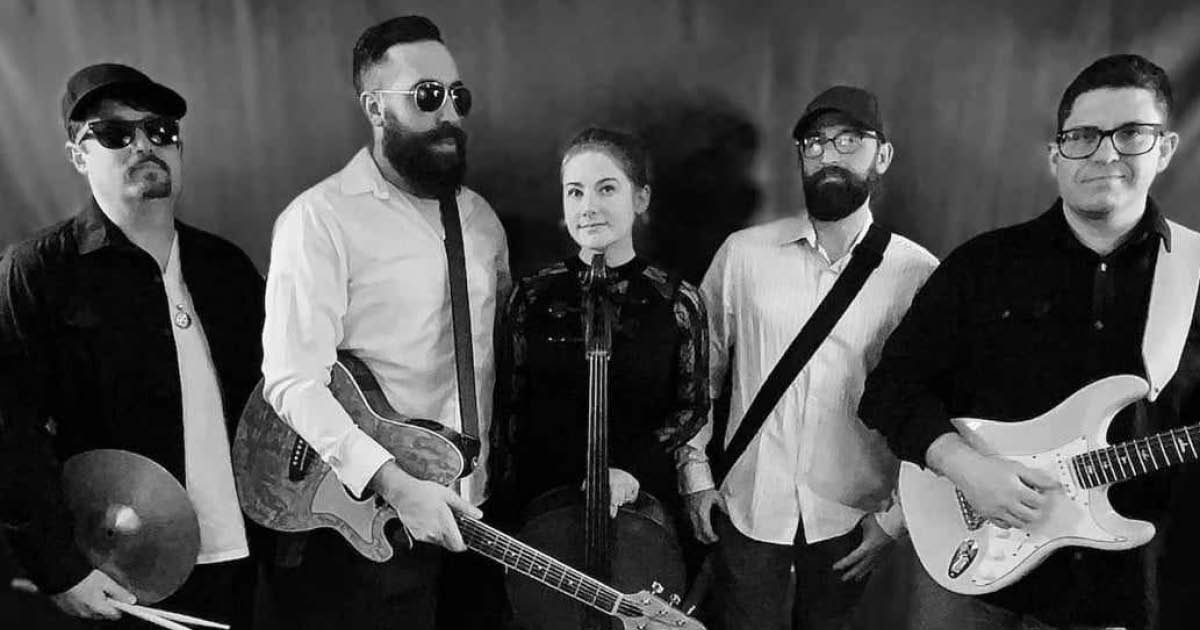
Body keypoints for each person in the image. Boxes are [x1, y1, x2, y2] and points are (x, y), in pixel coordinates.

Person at [858, 54, 1196, 630]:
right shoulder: (983, 265)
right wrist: (965, 467)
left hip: (1121, 587)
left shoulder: (1195, 275)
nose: (1105, 154)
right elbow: (891, 388)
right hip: (967, 578)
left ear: (1164, 147)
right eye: (1083, 136)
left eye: (1131, 134)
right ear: (1055, 155)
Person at [260, 15, 509, 630]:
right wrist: (396, 484)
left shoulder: (481, 221)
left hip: (477, 515)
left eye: (457, 96)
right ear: (375, 106)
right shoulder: (320, 220)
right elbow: (291, 380)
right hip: (373, 522)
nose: (448, 112)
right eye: (426, 96)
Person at [0, 63, 265, 627]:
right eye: (116, 134)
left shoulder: (227, 268)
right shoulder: (36, 272)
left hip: (246, 561)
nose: (145, 144)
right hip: (121, 572)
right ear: (78, 154)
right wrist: (59, 568)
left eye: (161, 130)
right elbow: (9, 431)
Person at [683, 86, 938, 630]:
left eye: (848, 141)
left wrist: (895, 521)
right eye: (815, 143)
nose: (828, 156)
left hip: (852, 515)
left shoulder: (918, 275)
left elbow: (933, 406)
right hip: (748, 507)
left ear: (882, 155)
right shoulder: (743, 255)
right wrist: (695, 476)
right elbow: (697, 375)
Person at [487, 127, 709, 583]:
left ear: (641, 198)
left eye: (607, 188)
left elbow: (691, 407)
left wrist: (629, 468)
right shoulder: (531, 296)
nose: (588, 206)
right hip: (542, 505)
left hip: (640, 502)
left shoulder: (677, 301)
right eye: (575, 192)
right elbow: (509, 409)